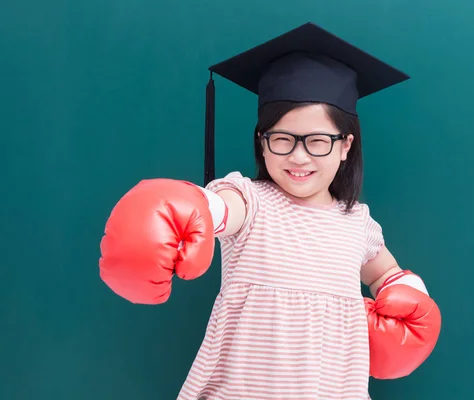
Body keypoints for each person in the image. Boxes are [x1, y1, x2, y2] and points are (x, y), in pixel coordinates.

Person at [99, 22, 442, 400]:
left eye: (317, 141)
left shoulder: (357, 222)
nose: (298, 156)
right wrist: (192, 209)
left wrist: (406, 293)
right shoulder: (251, 199)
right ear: (261, 143)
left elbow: (385, 271)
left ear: (346, 145)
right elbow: (222, 208)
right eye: (281, 139)